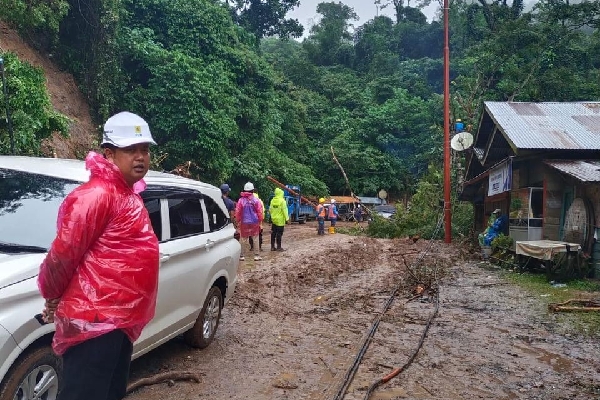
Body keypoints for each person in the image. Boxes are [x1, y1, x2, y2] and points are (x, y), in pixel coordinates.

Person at [37, 111, 160, 400]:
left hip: (116, 320)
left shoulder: (126, 194)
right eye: (131, 150)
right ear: (109, 154)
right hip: (93, 321)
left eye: (145, 149)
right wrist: (52, 295)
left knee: (110, 393)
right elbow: (64, 253)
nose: (141, 157)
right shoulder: (97, 195)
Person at [235, 182, 264, 261]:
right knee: (255, 238)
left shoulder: (241, 200)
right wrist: (260, 220)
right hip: (254, 222)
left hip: (244, 222)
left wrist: (238, 220)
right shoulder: (256, 200)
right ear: (252, 190)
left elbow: (238, 211)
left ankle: (241, 255)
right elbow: (259, 211)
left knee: (243, 238)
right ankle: (256, 255)